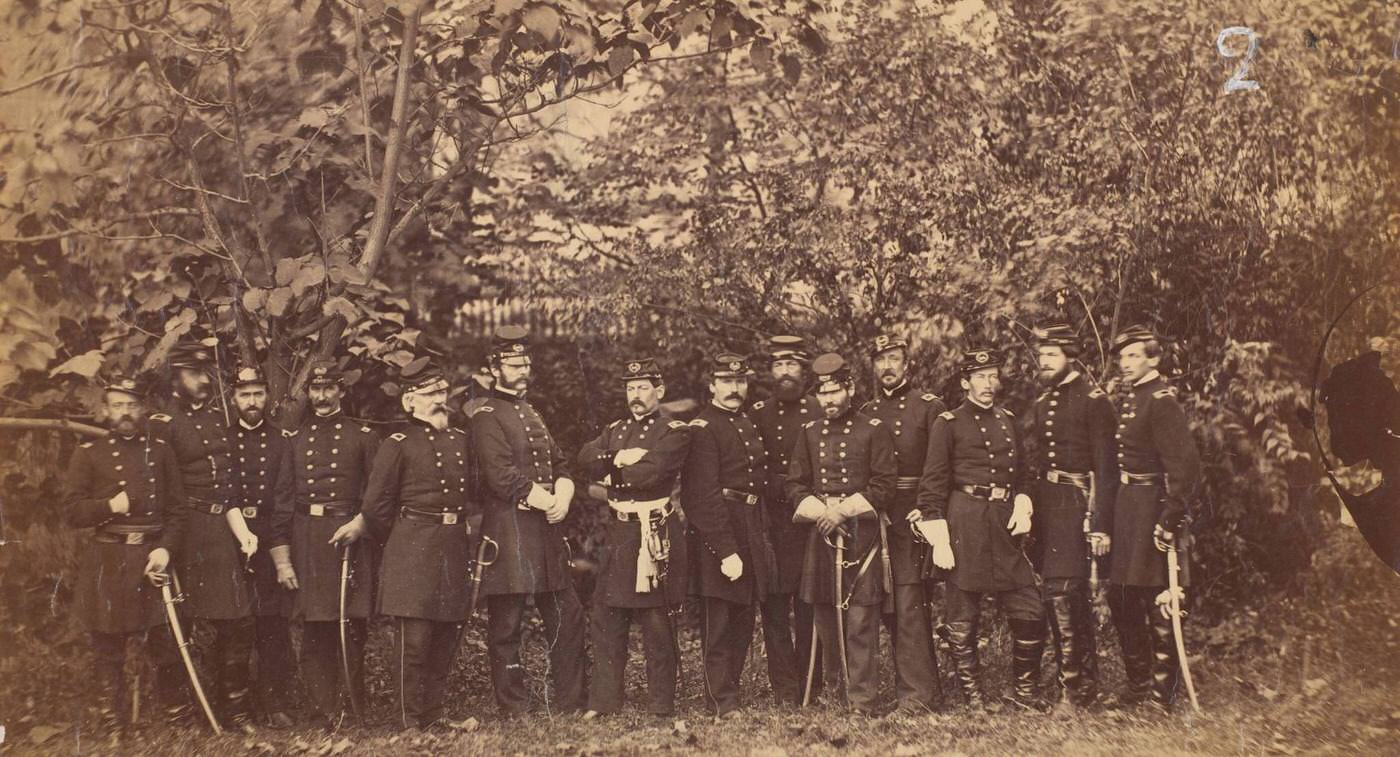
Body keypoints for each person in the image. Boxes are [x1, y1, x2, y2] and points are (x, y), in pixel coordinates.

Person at [916, 347, 1046, 711]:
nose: (990, 384)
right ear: (965, 382)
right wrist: (938, 536)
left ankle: (1025, 692)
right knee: (963, 616)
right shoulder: (948, 423)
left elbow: (1024, 475)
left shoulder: (1008, 420)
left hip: (1004, 523)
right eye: (981, 377)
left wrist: (1022, 501)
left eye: (993, 376)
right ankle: (974, 699)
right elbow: (933, 484)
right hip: (965, 522)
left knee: (1029, 607)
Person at [65, 374, 190, 732]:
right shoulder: (88, 454)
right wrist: (110, 506)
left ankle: (175, 713)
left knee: (165, 638)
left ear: (144, 410)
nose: (125, 412)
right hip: (109, 558)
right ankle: (112, 718)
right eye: (118, 405)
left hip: (152, 557)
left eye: (132, 405)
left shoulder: (161, 452)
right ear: (105, 410)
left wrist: (166, 548)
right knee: (108, 643)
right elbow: (71, 512)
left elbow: (177, 511)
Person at [470, 325, 584, 716]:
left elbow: (561, 462)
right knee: (506, 625)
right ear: (494, 368)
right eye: (513, 363)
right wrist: (545, 499)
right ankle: (514, 706)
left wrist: (564, 495)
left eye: (525, 362)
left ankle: (570, 701)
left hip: (546, 529)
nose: (522, 369)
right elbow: (500, 476)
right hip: (510, 530)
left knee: (566, 615)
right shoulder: (486, 415)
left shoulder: (531, 412)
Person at [361, 361, 478, 730]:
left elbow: (474, 495)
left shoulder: (461, 440)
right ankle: (408, 720)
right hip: (412, 549)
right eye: (431, 394)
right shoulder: (397, 444)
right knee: (415, 641)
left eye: (442, 393)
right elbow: (374, 506)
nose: (440, 401)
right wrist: (401, 540)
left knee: (446, 635)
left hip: (452, 548)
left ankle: (433, 715)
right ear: (410, 402)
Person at [578, 358, 692, 719]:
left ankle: (661, 705)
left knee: (656, 620)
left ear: (659, 391)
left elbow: (652, 473)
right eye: (630, 388)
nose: (636, 395)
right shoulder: (615, 430)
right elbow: (585, 457)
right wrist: (618, 457)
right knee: (607, 616)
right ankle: (604, 702)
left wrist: (610, 474)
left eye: (643, 387)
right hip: (620, 532)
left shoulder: (674, 430)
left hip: (654, 532)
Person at [154, 342, 258, 729]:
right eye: (194, 373)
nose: (203, 380)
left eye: (205, 372)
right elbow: (158, 492)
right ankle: (177, 711)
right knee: (177, 624)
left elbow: (227, 488)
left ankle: (235, 708)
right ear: (175, 378)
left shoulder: (217, 420)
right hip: (183, 533)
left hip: (218, 533)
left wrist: (243, 531)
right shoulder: (162, 425)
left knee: (238, 620)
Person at [787, 353, 897, 716]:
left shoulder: (873, 429)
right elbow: (796, 484)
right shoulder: (808, 432)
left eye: (835, 392)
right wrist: (822, 512)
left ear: (849, 389)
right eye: (823, 393)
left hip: (860, 534)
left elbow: (884, 485)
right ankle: (838, 689)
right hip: (821, 532)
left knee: (861, 618)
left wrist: (842, 511)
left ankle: (863, 700)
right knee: (824, 615)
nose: (829, 400)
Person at [683, 352, 787, 717]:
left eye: (740, 382)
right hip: (720, 528)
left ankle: (731, 692)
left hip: (751, 523)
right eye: (726, 382)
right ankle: (720, 700)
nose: (734, 388)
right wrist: (726, 549)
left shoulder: (744, 422)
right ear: (712, 386)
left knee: (743, 616)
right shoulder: (703, 427)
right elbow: (700, 496)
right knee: (720, 621)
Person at [1105, 325, 1202, 711]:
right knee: (1122, 596)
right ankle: (1138, 683)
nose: (1126, 364)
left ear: (1153, 358)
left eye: (1134, 356)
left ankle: (1162, 695)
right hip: (1128, 506)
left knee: (1160, 599)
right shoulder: (1134, 398)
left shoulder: (1161, 400)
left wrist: (1171, 516)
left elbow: (1185, 466)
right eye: (1122, 357)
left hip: (1153, 508)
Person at [284, 359, 380, 725]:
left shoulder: (363, 436)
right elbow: (285, 495)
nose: (321, 396)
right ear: (308, 393)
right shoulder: (295, 438)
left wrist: (362, 524)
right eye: (315, 389)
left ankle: (351, 705)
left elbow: (376, 493)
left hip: (350, 535)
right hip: (308, 535)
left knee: (350, 623)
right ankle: (321, 708)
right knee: (314, 624)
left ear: (341, 390)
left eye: (328, 388)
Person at [1028, 324, 1117, 708]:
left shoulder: (1092, 400)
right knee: (1058, 593)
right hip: (1049, 503)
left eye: (1052, 355)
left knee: (1065, 594)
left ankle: (1075, 690)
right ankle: (1082, 683)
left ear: (1070, 356)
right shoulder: (1044, 400)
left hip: (1076, 505)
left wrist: (1100, 524)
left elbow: (1106, 468)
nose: (1044, 362)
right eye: (1042, 355)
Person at [859, 333, 945, 714]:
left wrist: (927, 509)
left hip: (912, 516)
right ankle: (900, 688)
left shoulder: (928, 407)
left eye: (894, 358)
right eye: (881, 360)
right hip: (876, 516)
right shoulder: (865, 410)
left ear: (906, 363)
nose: (887, 366)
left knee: (910, 602)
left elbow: (939, 466)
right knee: (886, 605)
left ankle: (918, 695)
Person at [746, 335, 818, 703]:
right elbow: (752, 467)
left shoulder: (819, 410)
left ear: (804, 370)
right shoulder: (758, 413)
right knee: (774, 609)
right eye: (778, 365)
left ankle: (810, 685)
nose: (785, 372)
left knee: (808, 607)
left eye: (792, 365)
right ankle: (784, 689)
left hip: (809, 525)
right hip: (771, 525)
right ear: (770, 371)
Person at [228, 364, 297, 727]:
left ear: (267, 397)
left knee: (272, 626)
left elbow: (284, 498)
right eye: (244, 395)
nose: (251, 401)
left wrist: (277, 546)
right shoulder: (222, 440)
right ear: (234, 398)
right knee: (234, 625)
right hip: (230, 543)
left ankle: (275, 704)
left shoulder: (281, 440)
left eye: (257, 394)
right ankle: (235, 706)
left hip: (270, 541)